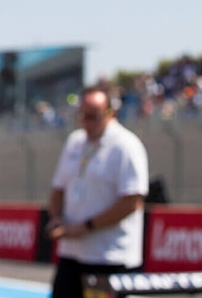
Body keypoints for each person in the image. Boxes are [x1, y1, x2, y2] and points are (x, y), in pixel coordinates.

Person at [46, 86, 149, 297]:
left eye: (92, 116)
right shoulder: (75, 141)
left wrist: (86, 227)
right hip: (72, 254)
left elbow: (132, 201)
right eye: (82, 115)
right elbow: (58, 188)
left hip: (110, 257)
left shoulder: (126, 145)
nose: (86, 122)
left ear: (110, 113)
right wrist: (56, 218)